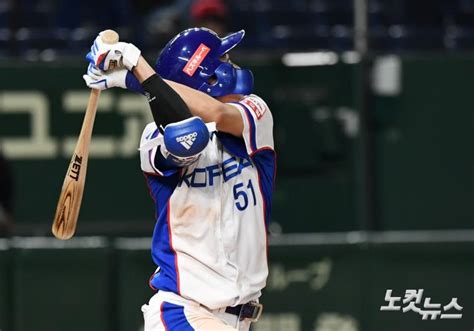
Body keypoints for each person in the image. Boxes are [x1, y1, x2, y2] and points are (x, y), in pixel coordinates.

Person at [83, 27, 276, 331]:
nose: (232, 64)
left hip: (237, 319)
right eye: (223, 59)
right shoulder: (152, 138)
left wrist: (133, 75)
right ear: (207, 77)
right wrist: (138, 72)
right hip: (183, 311)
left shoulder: (255, 111)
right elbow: (187, 135)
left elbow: (217, 115)